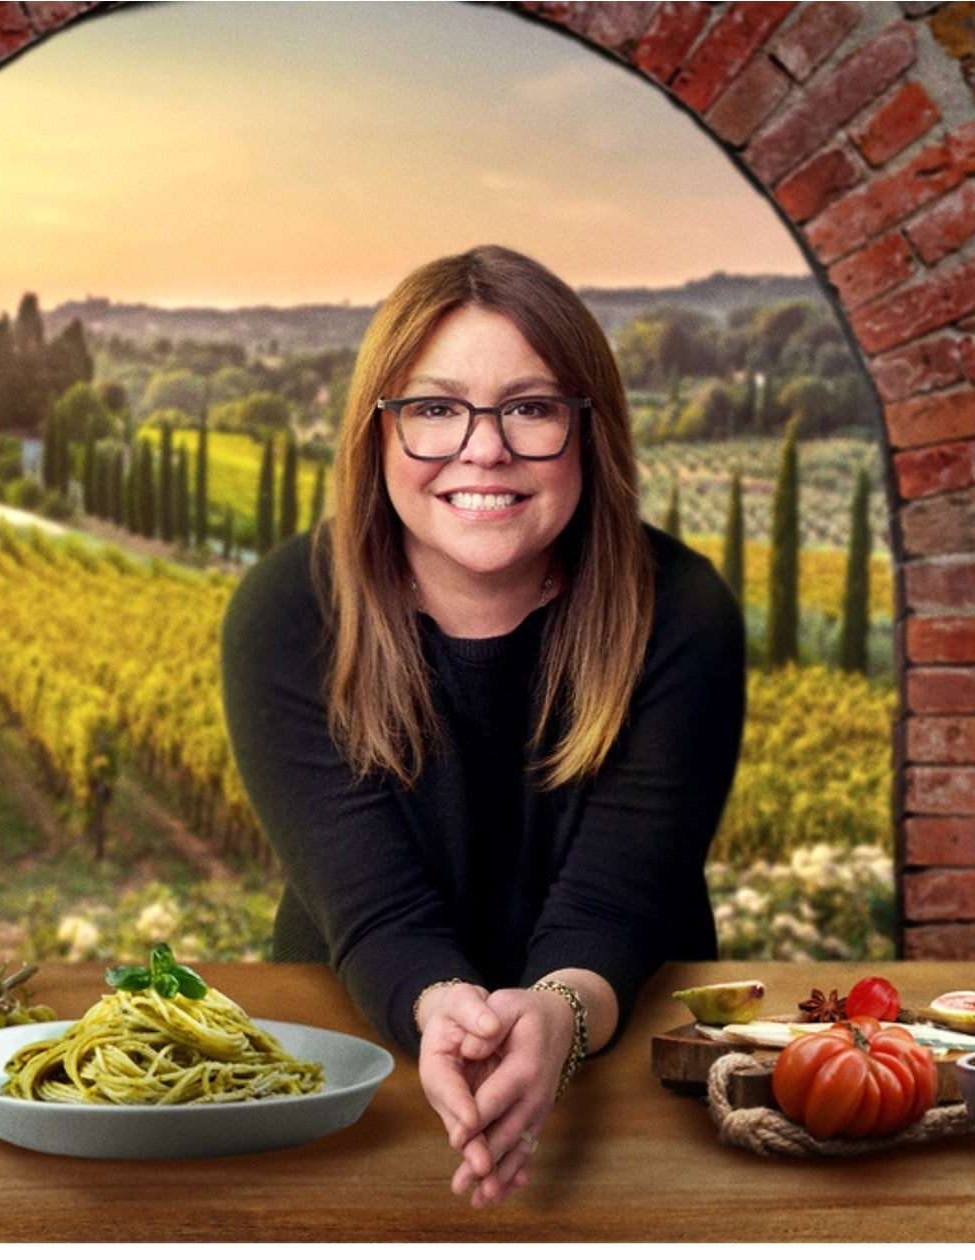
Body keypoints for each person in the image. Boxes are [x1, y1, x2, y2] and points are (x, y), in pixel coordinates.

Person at [221, 245, 745, 1207]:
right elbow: (377, 911)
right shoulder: (290, 611)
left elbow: (615, 910)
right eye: (434, 409)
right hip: (352, 1074)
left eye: (532, 407)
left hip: (631, 1079)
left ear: (590, 432)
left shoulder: (680, 609)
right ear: (377, 435)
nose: (484, 447)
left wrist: (558, 1018)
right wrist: (437, 1008)